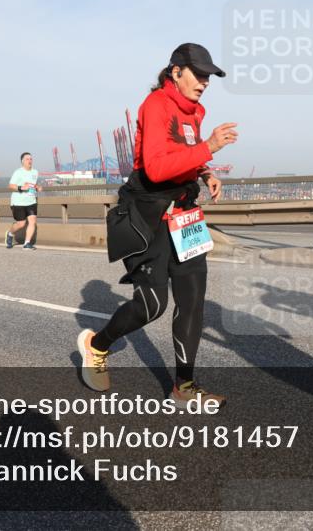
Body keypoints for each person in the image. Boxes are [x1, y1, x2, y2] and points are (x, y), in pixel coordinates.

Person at [77, 43, 237, 408]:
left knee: (193, 302)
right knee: (152, 305)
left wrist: (205, 171)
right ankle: (96, 345)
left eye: (209, 76)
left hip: (184, 216)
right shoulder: (156, 106)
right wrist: (209, 147)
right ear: (175, 71)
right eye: (198, 74)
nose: (205, 82)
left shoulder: (195, 111)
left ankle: (184, 386)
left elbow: (183, 154)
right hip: (148, 218)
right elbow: (156, 168)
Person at [5, 152, 42, 251]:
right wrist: (22, 187)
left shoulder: (35, 172)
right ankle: (10, 234)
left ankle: (27, 243)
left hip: (31, 201)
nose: (30, 161)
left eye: (31, 159)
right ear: (22, 161)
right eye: (27, 159)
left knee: (32, 221)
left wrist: (37, 187)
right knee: (21, 224)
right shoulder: (18, 172)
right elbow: (11, 186)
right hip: (18, 202)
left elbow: (32, 185)